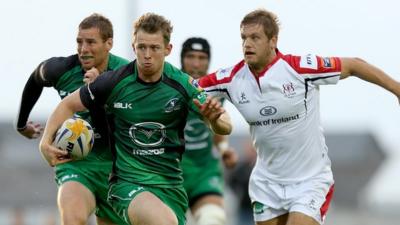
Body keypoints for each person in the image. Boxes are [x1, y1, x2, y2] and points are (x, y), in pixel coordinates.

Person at [198, 9, 400, 225]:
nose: (247, 44)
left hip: (309, 181)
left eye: (255, 37)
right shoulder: (231, 78)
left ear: (273, 40)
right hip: (266, 183)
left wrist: (397, 89)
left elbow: (354, 65)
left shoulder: (299, 69)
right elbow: (186, 90)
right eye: (243, 38)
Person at [38, 13, 232, 225]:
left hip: (171, 186)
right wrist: (45, 142)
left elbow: (225, 126)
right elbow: (68, 104)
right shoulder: (114, 82)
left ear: (167, 50)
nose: (147, 55)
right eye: (142, 47)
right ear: (133, 47)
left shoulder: (182, 84)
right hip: (127, 184)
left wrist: (214, 120)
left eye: (154, 48)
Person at [16, 13, 129, 225]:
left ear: (109, 44)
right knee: (72, 218)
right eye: (79, 42)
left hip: (115, 169)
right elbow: (35, 78)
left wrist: (96, 92)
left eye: (91, 42)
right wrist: (22, 124)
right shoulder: (61, 69)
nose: (83, 49)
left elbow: (113, 133)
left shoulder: (125, 75)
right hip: (76, 165)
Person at [180, 37, 238, 225]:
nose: (196, 63)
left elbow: (218, 130)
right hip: (171, 171)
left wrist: (224, 150)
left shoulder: (215, 90)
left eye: (202, 57)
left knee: (212, 219)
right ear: (182, 58)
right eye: (190, 56)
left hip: (204, 171)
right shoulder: (169, 85)